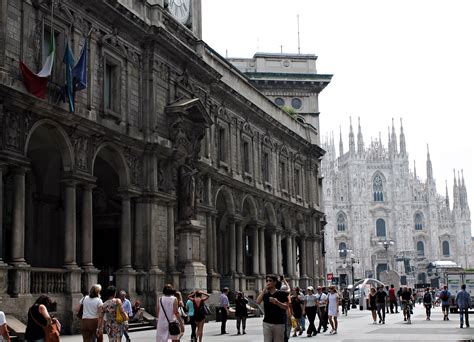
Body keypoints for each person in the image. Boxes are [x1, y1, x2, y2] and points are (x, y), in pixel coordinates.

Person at [256, 274, 289, 342]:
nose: (268, 282)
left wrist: (277, 302)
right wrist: (264, 289)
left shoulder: (281, 293)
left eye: (270, 281)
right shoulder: (265, 294)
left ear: (275, 282)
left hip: (279, 323)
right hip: (267, 323)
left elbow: (286, 307)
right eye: (267, 281)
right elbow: (258, 301)